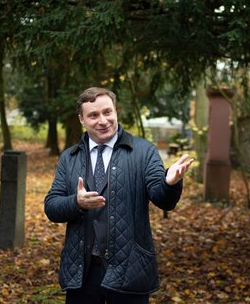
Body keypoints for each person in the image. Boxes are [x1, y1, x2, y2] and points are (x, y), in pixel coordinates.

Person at [44, 87, 193, 303]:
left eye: (107, 112)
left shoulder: (144, 151)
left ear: (116, 112)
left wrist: (169, 183)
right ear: (81, 119)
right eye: (93, 115)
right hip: (83, 273)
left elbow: (163, 199)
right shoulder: (70, 157)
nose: (103, 120)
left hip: (129, 269)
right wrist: (76, 202)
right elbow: (52, 207)